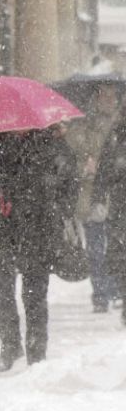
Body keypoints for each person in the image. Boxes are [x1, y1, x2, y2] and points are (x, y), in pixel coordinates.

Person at [0, 127, 78, 371]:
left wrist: (57, 207)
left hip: (38, 227)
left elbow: (71, 184)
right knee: (1, 287)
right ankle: (10, 345)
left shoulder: (53, 145)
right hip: (2, 227)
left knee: (35, 292)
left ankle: (36, 351)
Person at [65, 81, 122, 312]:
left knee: (118, 247)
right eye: (103, 96)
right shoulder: (82, 126)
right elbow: (70, 156)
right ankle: (100, 293)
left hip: (118, 195)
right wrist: (84, 166)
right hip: (90, 196)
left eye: (112, 96)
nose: (108, 100)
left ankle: (118, 289)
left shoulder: (121, 126)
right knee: (96, 249)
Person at [92, 108, 126, 326]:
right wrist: (98, 197)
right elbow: (104, 171)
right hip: (120, 206)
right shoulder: (115, 137)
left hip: (119, 205)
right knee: (120, 254)